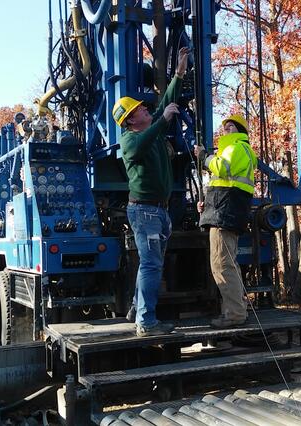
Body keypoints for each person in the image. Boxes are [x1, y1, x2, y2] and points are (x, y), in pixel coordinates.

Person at [112, 47, 189, 337]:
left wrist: (179, 74)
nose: (146, 108)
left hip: (159, 210)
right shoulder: (130, 141)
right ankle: (146, 322)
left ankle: (137, 308)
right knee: (152, 265)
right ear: (131, 120)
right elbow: (156, 126)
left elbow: (166, 104)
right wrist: (164, 119)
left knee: (151, 264)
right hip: (145, 211)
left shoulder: (149, 129)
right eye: (140, 109)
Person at [194, 114, 257, 328]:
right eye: (225, 127)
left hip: (225, 214)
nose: (225, 130)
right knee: (228, 264)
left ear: (240, 131)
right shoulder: (236, 150)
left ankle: (234, 315)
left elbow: (221, 168)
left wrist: (204, 156)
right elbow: (223, 184)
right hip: (225, 211)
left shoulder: (236, 147)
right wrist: (206, 206)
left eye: (230, 126)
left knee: (222, 265)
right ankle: (237, 310)